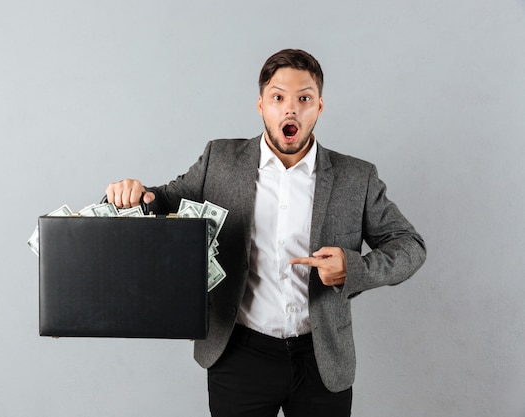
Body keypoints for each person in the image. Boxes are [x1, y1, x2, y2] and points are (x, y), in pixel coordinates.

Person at [105, 49, 426, 417]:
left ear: (319, 107)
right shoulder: (220, 161)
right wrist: (130, 196)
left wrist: (354, 270)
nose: (291, 109)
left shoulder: (357, 177)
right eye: (278, 97)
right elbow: (160, 200)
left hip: (321, 361)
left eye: (304, 98)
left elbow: (410, 246)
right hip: (240, 353)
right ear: (261, 105)